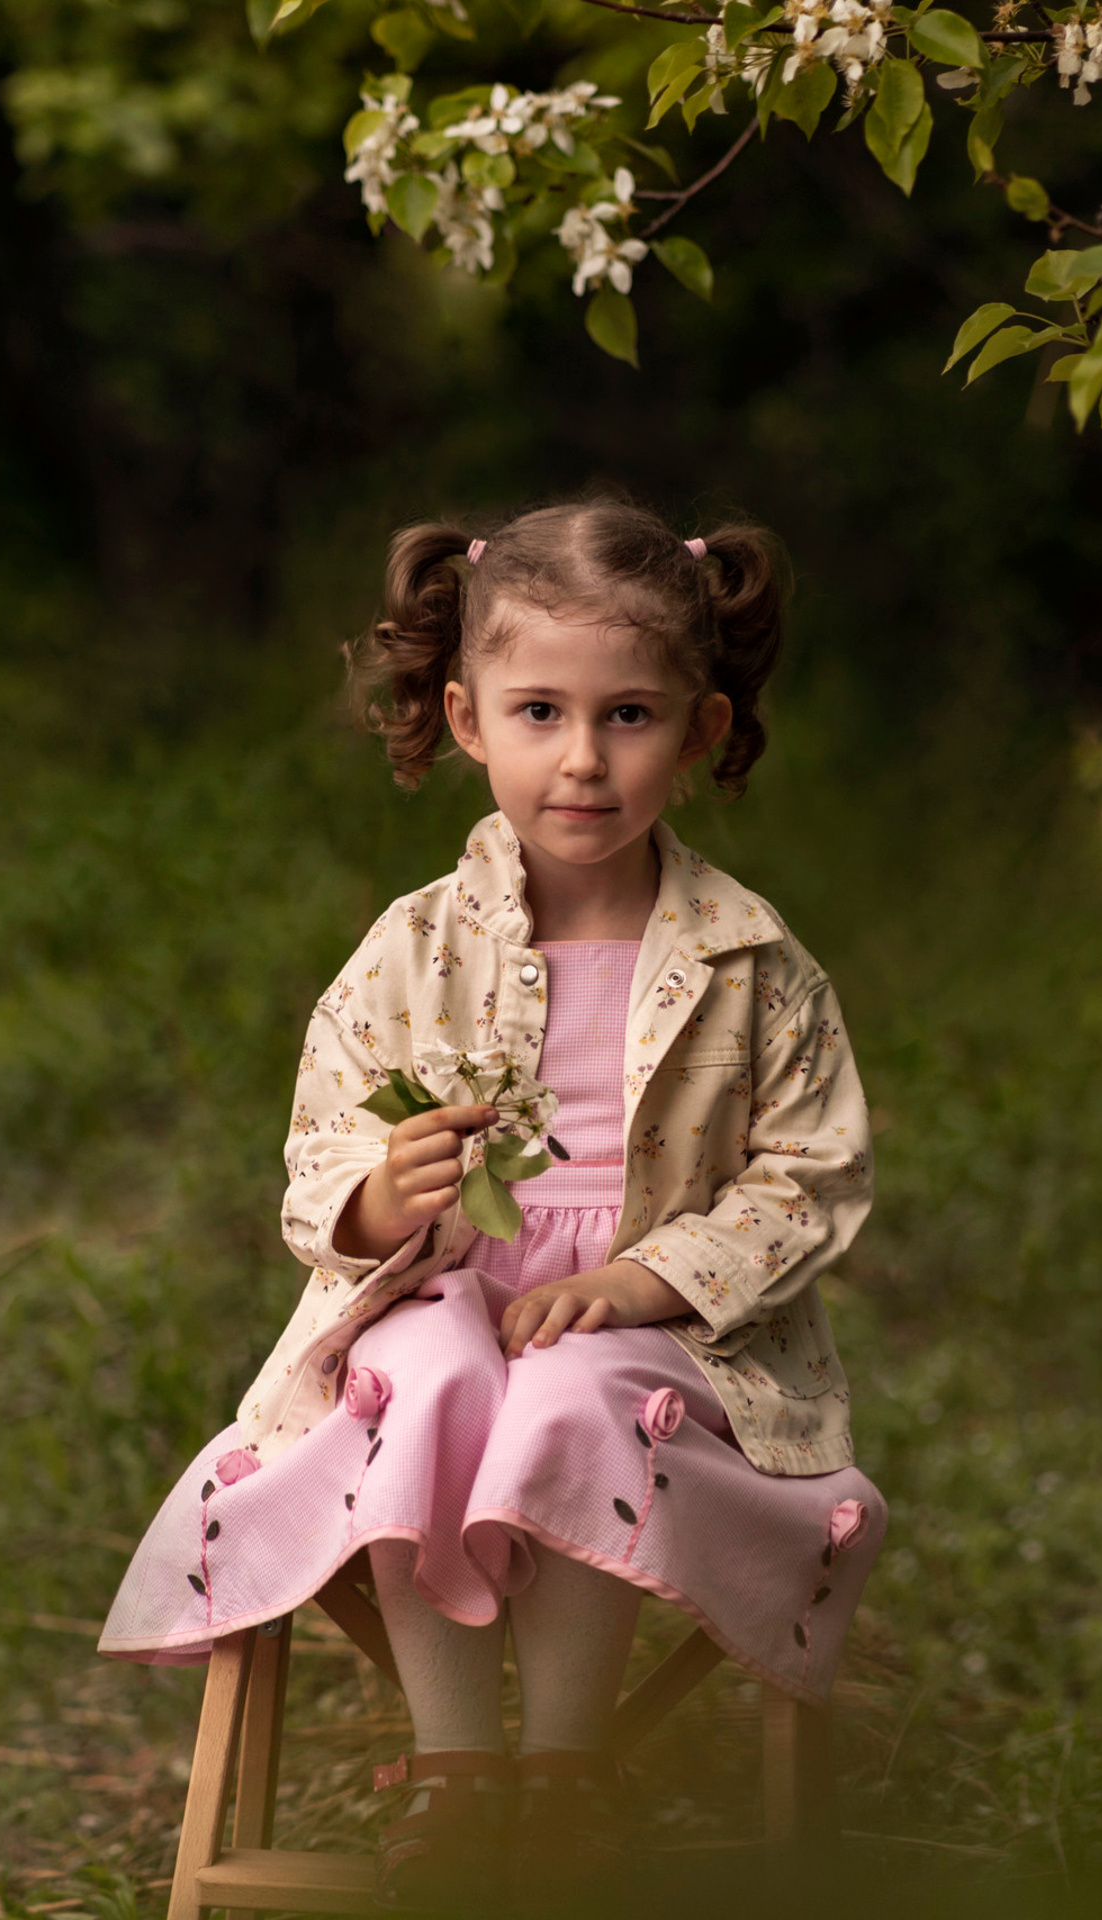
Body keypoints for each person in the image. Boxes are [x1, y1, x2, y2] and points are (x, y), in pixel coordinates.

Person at [99, 498, 885, 1910]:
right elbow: (322, 1148)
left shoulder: (753, 962)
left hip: (664, 1328)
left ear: (702, 732)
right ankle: (457, 1767)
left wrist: (649, 1281)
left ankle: (568, 1771)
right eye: (540, 711)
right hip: (447, 1279)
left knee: (576, 1397)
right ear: (468, 720)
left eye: (631, 715)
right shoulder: (413, 949)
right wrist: (375, 1195)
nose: (582, 759)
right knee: (422, 1376)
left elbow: (812, 1169)